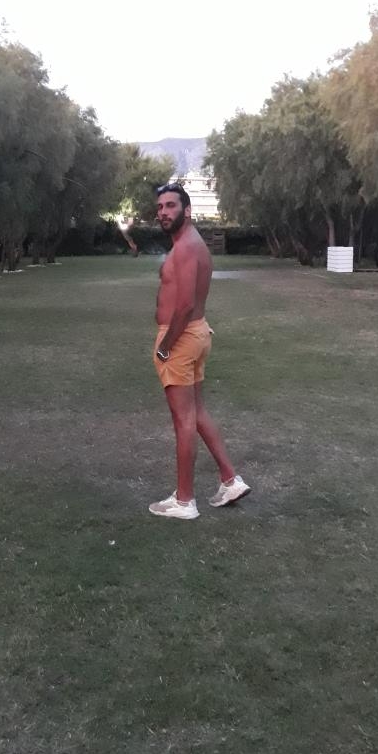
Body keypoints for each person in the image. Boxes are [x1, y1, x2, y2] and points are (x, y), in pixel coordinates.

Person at [149, 182, 250, 520]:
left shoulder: (187, 247)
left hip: (181, 338)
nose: (163, 212)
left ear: (187, 210)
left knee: (184, 420)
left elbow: (185, 305)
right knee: (197, 412)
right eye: (160, 207)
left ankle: (184, 501)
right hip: (195, 334)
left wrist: (165, 348)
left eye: (171, 206)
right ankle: (230, 480)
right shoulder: (191, 244)